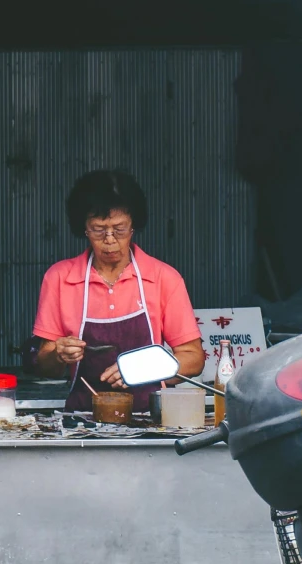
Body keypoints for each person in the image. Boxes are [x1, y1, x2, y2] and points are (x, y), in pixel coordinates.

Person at [31, 169, 205, 415]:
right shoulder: (59, 278)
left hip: (149, 418)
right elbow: (44, 365)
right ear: (84, 228)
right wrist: (59, 354)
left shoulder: (163, 278)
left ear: (134, 225)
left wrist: (142, 370)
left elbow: (194, 358)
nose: (110, 239)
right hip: (83, 419)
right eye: (99, 230)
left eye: (119, 229)